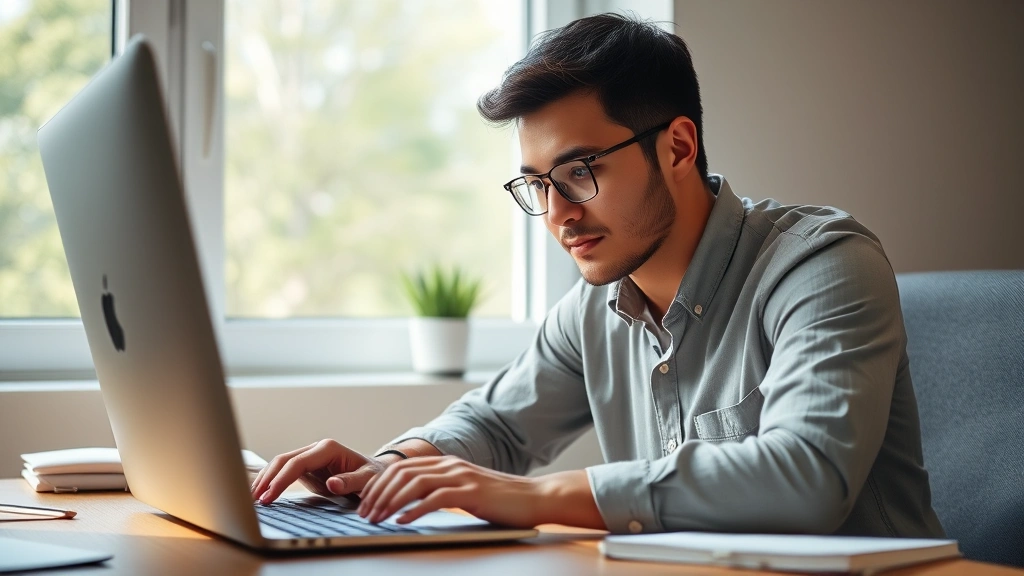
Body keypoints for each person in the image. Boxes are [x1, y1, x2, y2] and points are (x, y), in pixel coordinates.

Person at [251, 13, 945, 537]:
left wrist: (538, 496)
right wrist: (387, 469)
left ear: (677, 146)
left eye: (580, 173)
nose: (556, 216)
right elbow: (493, 424)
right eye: (537, 185)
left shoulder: (821, 266)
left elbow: (807, 476)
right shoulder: (596, 307)